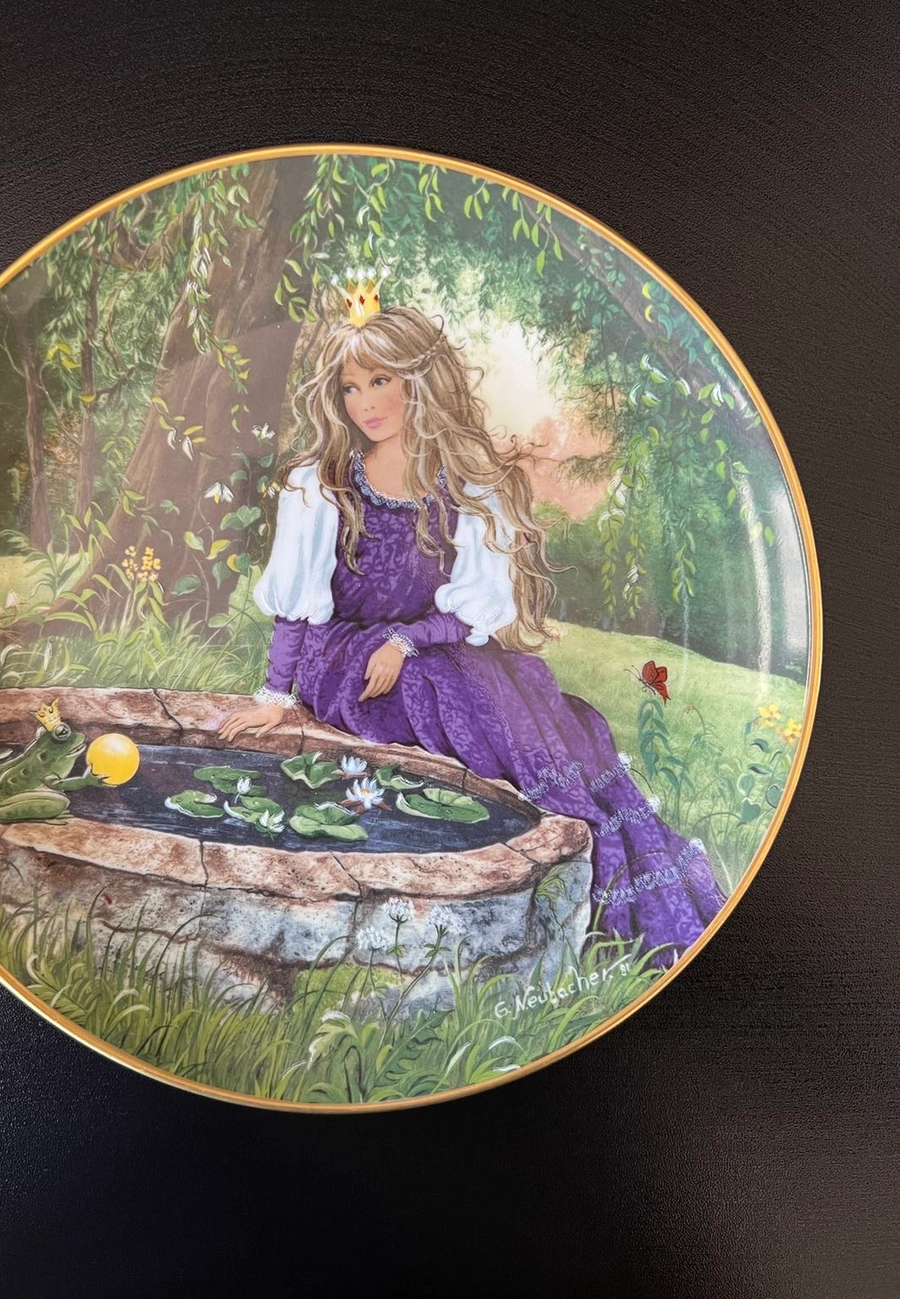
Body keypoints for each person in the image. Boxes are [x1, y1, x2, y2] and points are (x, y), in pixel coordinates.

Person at [219, 297, 726, 969]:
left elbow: (469, 612)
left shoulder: (466, 486)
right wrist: (274, 696)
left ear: (417, 381)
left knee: (525, 710)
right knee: (433, 692)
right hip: (343, 655)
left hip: (430, 647)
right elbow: (295, 607)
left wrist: (406, 641)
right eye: (349, 387)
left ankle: (591, 878)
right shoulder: (322, 485)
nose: (364, 403)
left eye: (380, 381)